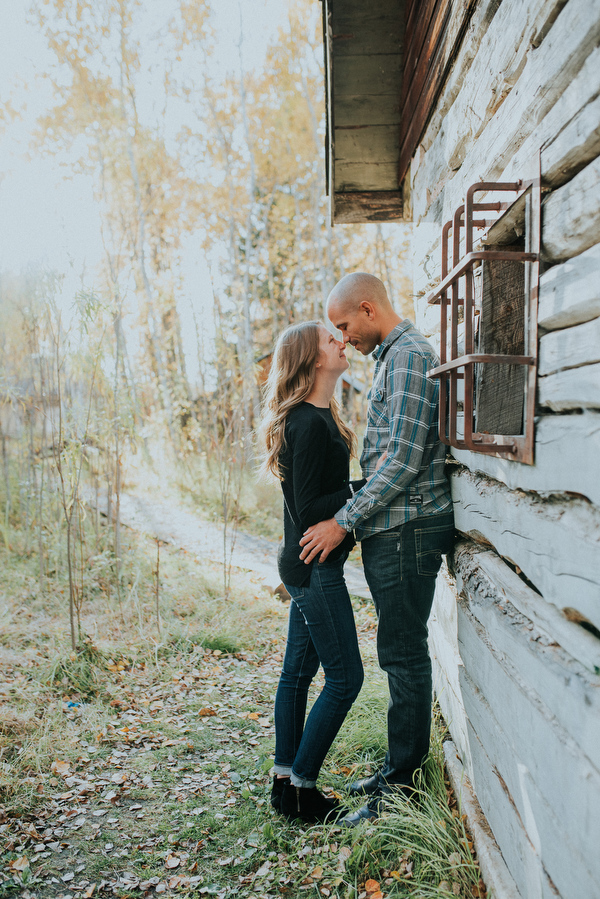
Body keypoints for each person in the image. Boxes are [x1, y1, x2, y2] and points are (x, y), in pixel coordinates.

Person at [299, 273, 455, 825]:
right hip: (394, 527)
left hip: (408, 528)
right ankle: (397, 768)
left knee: (403, 654)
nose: (344, 339)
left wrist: (343, 521)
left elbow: (405, 459)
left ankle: (402, 790)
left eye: (344, 326)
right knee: (399, 652)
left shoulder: (410, 355)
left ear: (369, 309)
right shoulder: (393, 358)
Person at [260, 320, 367, 824]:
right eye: (331, 339)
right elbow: (308, 511)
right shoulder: (305, 421)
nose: (341, 342)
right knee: (346, 679)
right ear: (312, 360)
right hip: (314, 568)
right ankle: (303, 789)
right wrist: (365, 489)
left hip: (306, 566)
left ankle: (285, 784)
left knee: (297, 675)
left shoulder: (321, 415)